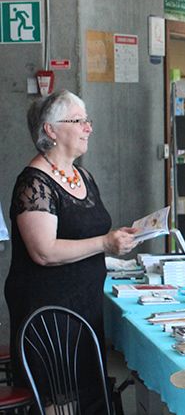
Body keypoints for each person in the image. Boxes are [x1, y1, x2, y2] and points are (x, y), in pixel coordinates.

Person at [4, 90, 138, 412]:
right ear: (50, 130)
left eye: (87, 120)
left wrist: (119, 237)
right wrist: (106, 243)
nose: (88, 127)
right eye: (79, 121)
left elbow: (86, 233)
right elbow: (44, 251)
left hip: (84, 307)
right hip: (49, 312)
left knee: (88, 395)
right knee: (60, 400)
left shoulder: (83, 176)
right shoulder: (34, 183)